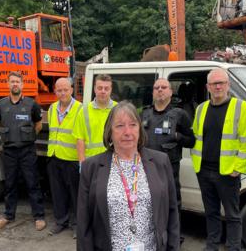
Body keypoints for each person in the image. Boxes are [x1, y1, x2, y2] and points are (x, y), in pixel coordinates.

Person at [77, 101, 180, 251]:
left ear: (139, 129)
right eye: (119, 126)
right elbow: (83, 222)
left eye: (133, 125)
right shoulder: (91, 167)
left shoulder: (160, 161)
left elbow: (172, 213)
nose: (127, 132)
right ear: (109, 132)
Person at [191, 68, 246, 251]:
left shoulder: (241, 107)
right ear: (207, 86)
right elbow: (196, 136)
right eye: (214, 83)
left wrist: (238, 167)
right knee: (211, 213)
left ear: (228, 85)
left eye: (221, 83)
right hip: (204, 170)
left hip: (228, 172)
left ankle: (233, 247)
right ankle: (212, 246)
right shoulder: (201, 108)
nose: (218, 86)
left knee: (233, 214)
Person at [140, 78, 196, 243]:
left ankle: (174, 236)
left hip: (169, 167)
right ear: (153, 92)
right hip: (146, 166)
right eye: (156, 87)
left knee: (172, 202)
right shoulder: (144, 113)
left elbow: (192, 141)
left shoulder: (180, 114)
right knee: (147, 200)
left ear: (171, 92)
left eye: (164, 87)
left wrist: (178, 136)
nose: (160, 90)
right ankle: (150, 233)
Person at [0, 72, 46, 231]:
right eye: (12, 82)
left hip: (27, 151)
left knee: (32, 183)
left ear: (22, 85)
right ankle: (8, 215)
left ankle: (39, 216)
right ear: (8, 84)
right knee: (10, 184)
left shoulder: (32, 104)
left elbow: (39, 125)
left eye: (17, 82)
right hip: (9, 151)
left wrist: (28, 138)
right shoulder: (1, 104)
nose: (15, 84)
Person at [46, 78, 82, 237]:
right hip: (54, 157)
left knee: (75, 194)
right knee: (58, 192)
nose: (62, 93)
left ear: (72, 90)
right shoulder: (52, 108)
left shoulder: (80, 109)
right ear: (55, 91)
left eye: (65, 90)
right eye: (59, 90)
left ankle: (76, 225)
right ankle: (61, 222)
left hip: (72, 158)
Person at [73, 74, 117, 163]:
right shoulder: (83, 111)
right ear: (94, 89)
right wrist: (82, 164)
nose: (103, 91)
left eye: (106, 88)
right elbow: (80, 140)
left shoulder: (118, 109)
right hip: (91, 162)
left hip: (113, 162)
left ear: (111, 90)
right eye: (100, 88)